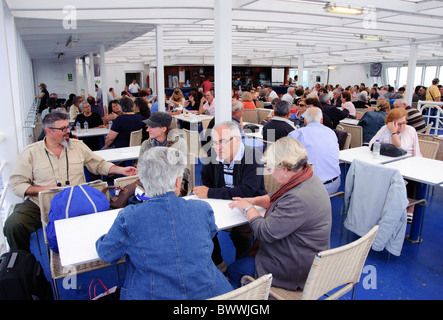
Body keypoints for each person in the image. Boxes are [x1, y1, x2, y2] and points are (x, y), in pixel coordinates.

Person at [96, 147, 233, 299]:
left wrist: (105, 237)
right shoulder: (202, 209)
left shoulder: (129, 218)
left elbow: (107, 253)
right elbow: (210, 234)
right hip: (213, 294)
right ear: (177, 182)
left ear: (143, 181)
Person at [3, 112, 137, 252]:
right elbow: (18, 185)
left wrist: (121, 170)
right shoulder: (30, 153)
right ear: (49, 131)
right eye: (63, 129)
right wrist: (44, 189)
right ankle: (23, 262)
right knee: (13, 225)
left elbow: (99, 165)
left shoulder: (78, 146)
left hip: (76, 202)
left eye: (68, 127)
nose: (68, 131)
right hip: (41, 203)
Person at [225, 137, 331, 289]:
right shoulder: (307, 178)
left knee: (233, 270)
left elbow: (265, 232)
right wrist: (254, 201)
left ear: (285, 169)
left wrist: (248, 209)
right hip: (307, 255)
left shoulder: (298, 197)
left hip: (294, 268)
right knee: (244, 257)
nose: (271, 174)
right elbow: (278, 196)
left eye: (271, 169)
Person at [194, 121, 267, 272]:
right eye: (214, 142)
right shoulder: (214, 155)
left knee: (241, 234)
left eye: (222, 142)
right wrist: (210, 192)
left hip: (250, 206)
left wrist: (210, 193)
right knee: (204, 223)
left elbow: (247, 191)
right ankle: (219, 263)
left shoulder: (253, 156)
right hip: (223, 204)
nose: (217, 147)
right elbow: (206, 181)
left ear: (238, 140)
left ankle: (244, 267)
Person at [288, 107, 341, 195]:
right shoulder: (331, 133)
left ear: (304, 120)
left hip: (307, 188)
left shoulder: (295, 134)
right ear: (321, 120)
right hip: (333, 184)